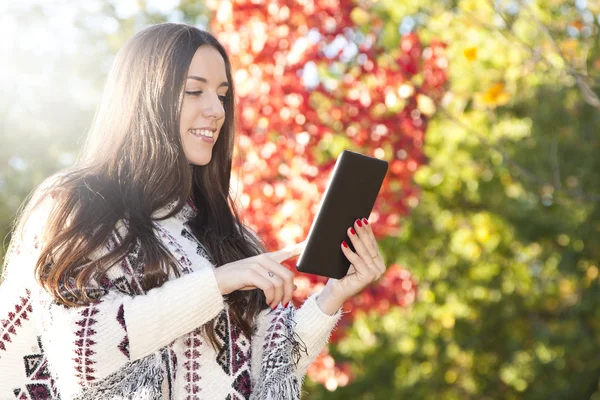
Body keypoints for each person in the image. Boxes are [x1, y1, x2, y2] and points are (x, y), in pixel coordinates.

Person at [0, 23, 386, 399]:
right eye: (194, 91)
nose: (216, 110)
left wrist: (335, 295)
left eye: (221, 94)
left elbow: (266, 371)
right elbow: (81, 352)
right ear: (145, 99)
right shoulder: (77, 206)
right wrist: (216, 284)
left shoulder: (227, 234)